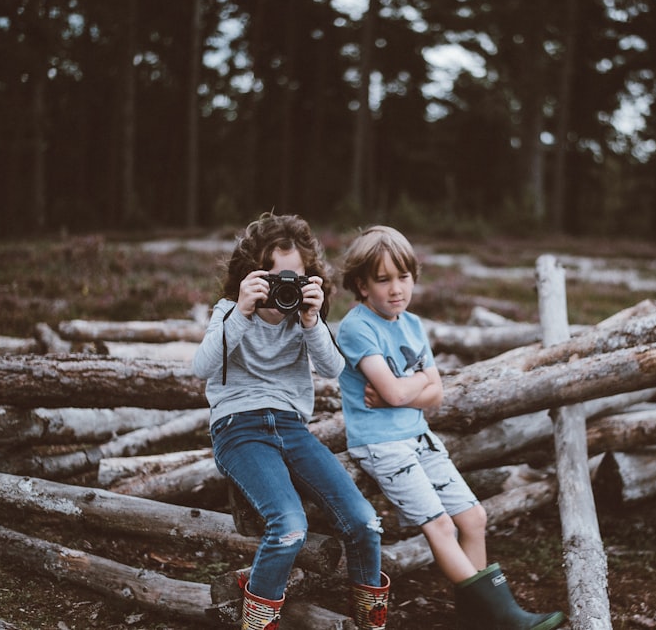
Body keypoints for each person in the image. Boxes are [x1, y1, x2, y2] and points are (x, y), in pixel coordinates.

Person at [336, 225, 565, 630]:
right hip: (382, 444)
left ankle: (479, 619)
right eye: (383, 279)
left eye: (403, 277)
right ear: (361, 284)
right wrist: (414, 385)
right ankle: (503, 616)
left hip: (419, 436)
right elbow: (394, 391)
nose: (396, 289)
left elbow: (433, 394)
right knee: (440, 525)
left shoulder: (412, 324)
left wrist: (410, 390)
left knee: (474, 517)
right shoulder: (357, 327)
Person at [192, 212, 389, 630]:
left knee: (366, 522)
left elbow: (334, 368)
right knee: (288, 527)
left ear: (308, 279)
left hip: (292, 428)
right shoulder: (228, 310)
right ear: (250, 274)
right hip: (238, 429)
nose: (284, 288)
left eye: (293, 279)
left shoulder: (304, 319)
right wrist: (242, 312)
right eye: (272, 276)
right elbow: (202, 366)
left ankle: (371, 624)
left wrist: (312, 320)